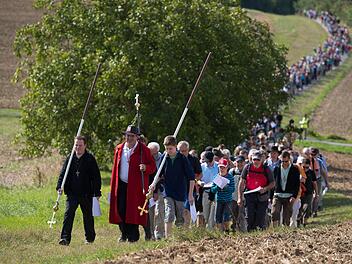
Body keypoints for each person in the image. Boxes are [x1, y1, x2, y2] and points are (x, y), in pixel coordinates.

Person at [109, 125, 156, 242]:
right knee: (120, 210)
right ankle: (123, 234)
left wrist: (145, 167)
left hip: (136, 187)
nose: (129, 138)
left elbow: (153, 167)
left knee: (133, 212)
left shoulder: (143, 150)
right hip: (121, 185)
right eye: (127, 135)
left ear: (137, 137)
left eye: (131, 136)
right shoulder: (119, 149)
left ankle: (133, 237)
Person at [56, 135, 101, 246]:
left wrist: (97, 192)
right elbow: (63, 174)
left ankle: (89, 238)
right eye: (76, 145)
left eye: (80, 145)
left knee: (88, 216)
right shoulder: (70, 158)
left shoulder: (90, 159)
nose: (78, 147)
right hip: (72, 193)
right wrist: (59, 186)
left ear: (85, 145)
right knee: (68, 214)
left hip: (86, 193)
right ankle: (65, 239)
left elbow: (96, 177)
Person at [160, 136, 195, 238]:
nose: (168, 151)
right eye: (166, 148)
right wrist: (153, 184)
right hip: (168, 191)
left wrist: (190, 195)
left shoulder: (182, 159)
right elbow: (159, 174)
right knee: (169, 213)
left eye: (170, 148)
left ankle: (180, 237)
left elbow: (191, 177)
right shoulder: (164, 158)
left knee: (180, 217)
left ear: (176, 147)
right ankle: (168, 238)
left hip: (180, 191)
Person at [238, 151, 275, 231]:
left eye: (258, 160)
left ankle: (259, 236)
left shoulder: (266, 169)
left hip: (262, 196)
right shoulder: (247, 167)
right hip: (249, 195)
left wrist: (265, 189)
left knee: (260, 218)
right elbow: (241, 182)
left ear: (261, 160)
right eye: (254, 160)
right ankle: (250, 236)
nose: (256, 162)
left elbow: (272, 183)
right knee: (249, 217)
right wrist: (239, 198)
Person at [272, 150, 300, 227]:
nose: (284, 163)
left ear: (289, 160)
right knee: (275, 212)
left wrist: (294, 196)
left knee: (287, 216)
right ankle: (275, 229)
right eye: (283, 161)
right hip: (278, 194)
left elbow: (297, 184)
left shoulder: (294, 169)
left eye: (286, 161)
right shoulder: (276, 168)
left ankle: (285, 231)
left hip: (289, 195)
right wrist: (270, 196)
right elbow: (273, 183)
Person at [177, 141, 202, 228]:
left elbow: (200, 174)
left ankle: (186, 228)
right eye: (179, 151)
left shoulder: (194, 160)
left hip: (190, 189)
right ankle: (181, 228)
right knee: (180, 211)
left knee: (186, 210)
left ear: (188, 150)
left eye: (184, 151)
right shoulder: (176, 159)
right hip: (178, 189)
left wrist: (194, 180)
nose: (182, 153)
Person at [210, 158, 234, 232]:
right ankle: (219, 232)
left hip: (228, 200)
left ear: (227, 167)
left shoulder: (230, 177)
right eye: (220, 167)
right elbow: (212, 190)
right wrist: (217, 187)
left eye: (223, 167)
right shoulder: (216, 177)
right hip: (219, 200)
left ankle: (226, 231)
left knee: (226, 217)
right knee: (217, 217)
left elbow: (232, 189)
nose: (222, 169)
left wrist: (226, 187)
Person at [147, 142, 164, 240]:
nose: (152, 156)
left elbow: (161, 176)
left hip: (160, 189)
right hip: (149, 189)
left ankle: (159, 233)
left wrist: (156, 191)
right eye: (150, 153)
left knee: (159, 212)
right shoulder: (147, 159)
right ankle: (150, 233)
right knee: (150, 212)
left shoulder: (162, 159)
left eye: (154, 154)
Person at [199, 151, 218, 229]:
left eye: (209, 161)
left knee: (213, 212)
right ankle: (208, 225)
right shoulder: (202, 166)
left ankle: (211, 229)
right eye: (206, 161)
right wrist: (200, 183)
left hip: (215, 190)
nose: (208, 163)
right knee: (206, 213)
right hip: (205, 190)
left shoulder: (218, 166)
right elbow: (197, 179)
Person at [229, 155, 247, 232]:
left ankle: (242, 232)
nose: (239, 164)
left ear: (244, 162)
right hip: (233, 198)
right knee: (233, 216)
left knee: (242, 216)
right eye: (238, 162)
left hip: (243, 198)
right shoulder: (232, 172)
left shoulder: (247, 172)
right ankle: (233, 232)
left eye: (241, 162)